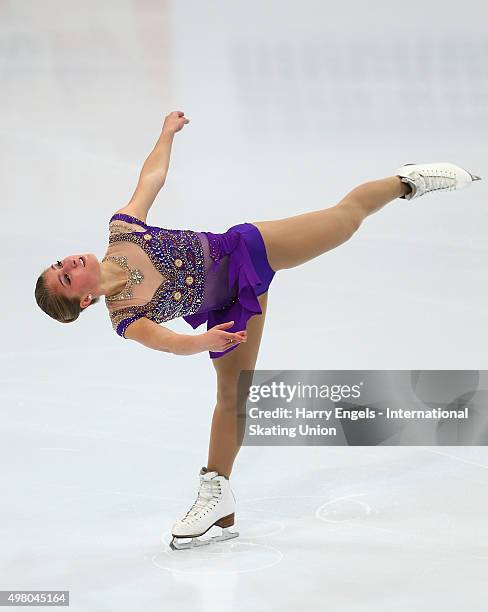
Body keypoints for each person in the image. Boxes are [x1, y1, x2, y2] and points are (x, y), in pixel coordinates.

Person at [34, 111, 481, 550]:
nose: (70, 263)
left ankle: (408, 182)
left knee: (344, 222)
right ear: (85, 300)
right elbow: (164, 341)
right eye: (67, 278)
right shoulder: (125, 316)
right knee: (233, 395)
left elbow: (151, 179)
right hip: (228, 310)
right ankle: (218, 498)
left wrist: (166, 133)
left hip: (249, 251)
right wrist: (202, 341)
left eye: (61, 263)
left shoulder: (123, 231)